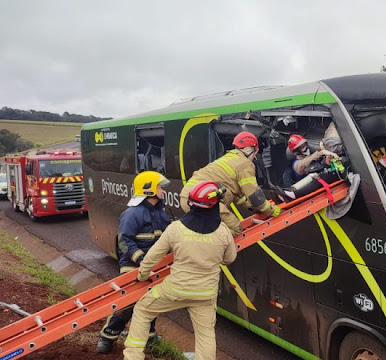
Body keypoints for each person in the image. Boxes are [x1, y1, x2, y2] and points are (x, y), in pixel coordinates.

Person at [123, 181, 236, 360]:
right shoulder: (223, 232)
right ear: (214, 206)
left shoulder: (176, 229)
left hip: (175, 289)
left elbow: (153, 256)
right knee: (205, 334)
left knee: (143, 311)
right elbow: (230, 258)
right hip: (205, 294)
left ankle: (132, 357)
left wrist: (142, 275)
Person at [96, 171, 171, 354]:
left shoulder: (161, 213)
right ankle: (107, 337)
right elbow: (124, 241)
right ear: (149, 190)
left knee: (151, 302)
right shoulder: (132, 214)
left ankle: (149, 337)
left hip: (154, 267)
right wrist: (143, 260)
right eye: (159, 187)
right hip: (133, 266)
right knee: (127, 305)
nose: (162, 190)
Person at [179, 131, 281, 236]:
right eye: (255, 155)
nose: (253, 159)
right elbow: (254, 195)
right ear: (252, 149)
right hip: (204, 201)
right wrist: (270, 210)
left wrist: (252, 208)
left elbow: (235, 194)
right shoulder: (245, 164)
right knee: (235, 228)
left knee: (208, 229)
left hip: (187, 198)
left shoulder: (228, 158)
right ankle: (208, 248)